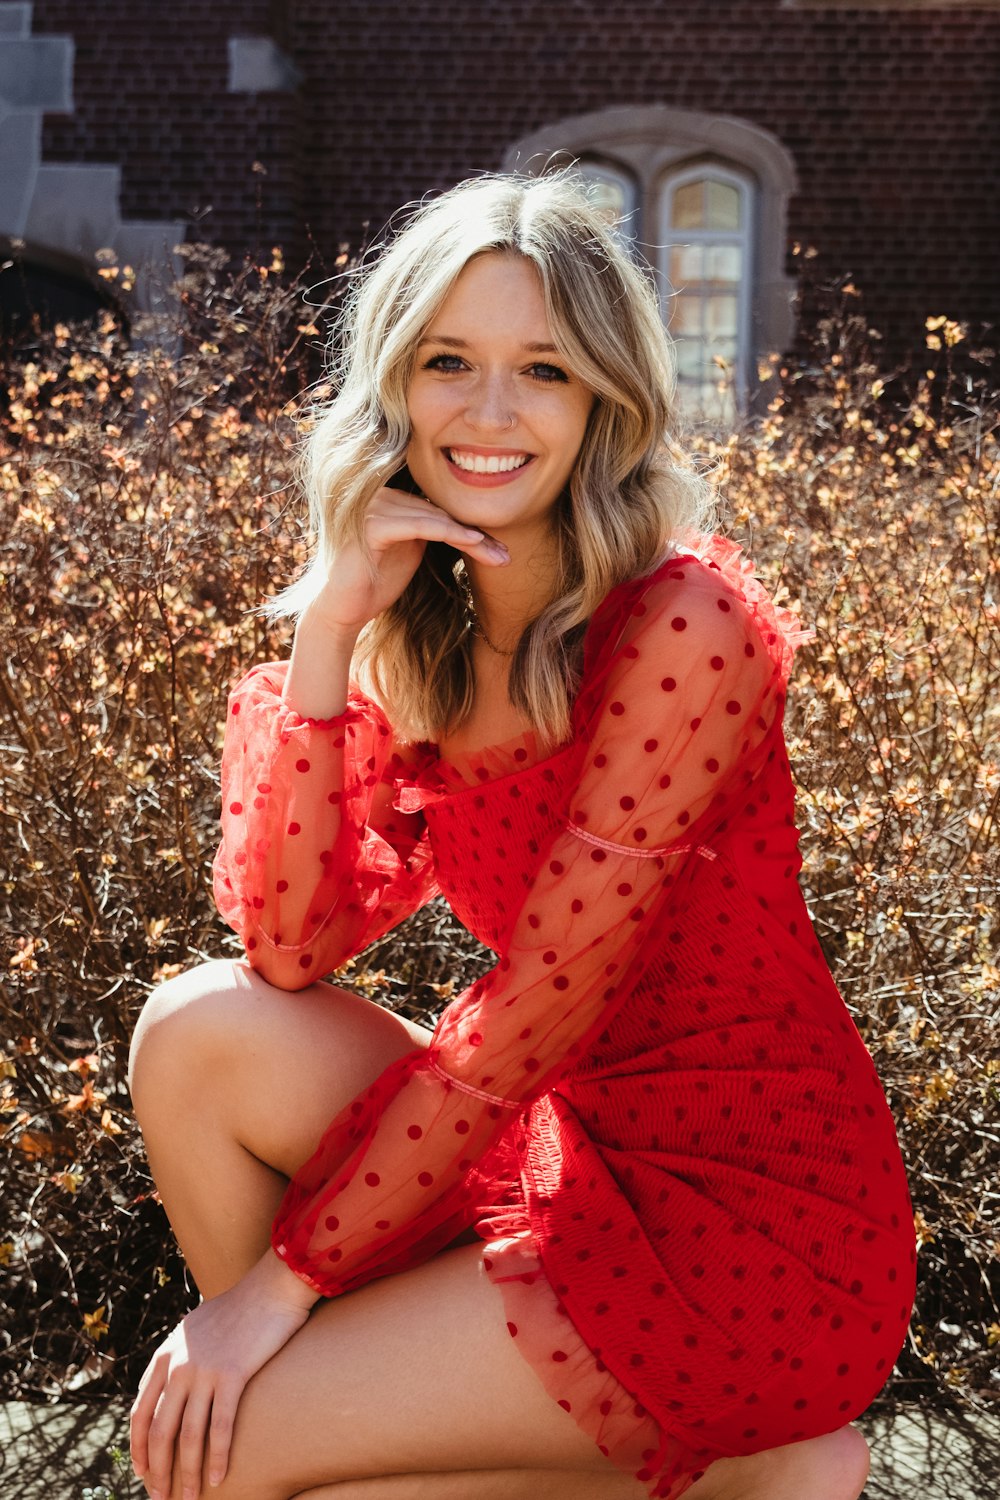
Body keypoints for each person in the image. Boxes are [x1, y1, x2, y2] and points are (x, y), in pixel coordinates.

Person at [127, 171, 916, 1500]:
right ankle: (717, 1471)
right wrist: (329, 628)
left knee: (230, 1451)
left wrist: (282, 1287)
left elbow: (544, 1005)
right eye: (450, 362)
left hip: (748, 1225)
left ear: (603, 396)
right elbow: (288, 944)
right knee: (199, 1034)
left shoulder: (683, 624)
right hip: (569, 1152)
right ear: (396, 382)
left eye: (542, 370)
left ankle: (727, 1447)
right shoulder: (425, 627)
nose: (489, 415)